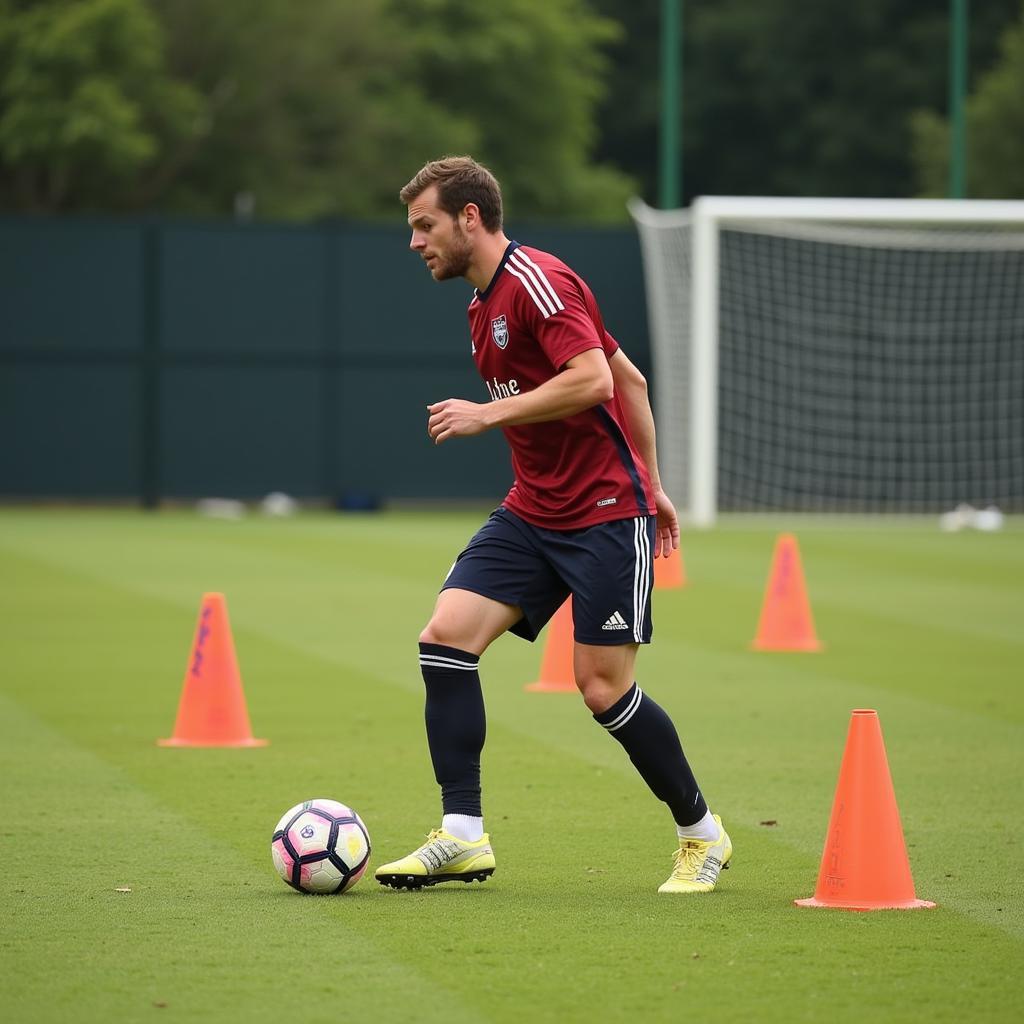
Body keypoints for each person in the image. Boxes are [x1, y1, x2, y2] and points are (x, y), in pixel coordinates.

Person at [374, 156, 730, 895]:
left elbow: (598, 380)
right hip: (534, 510)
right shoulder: (480, 309)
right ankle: (463, 835)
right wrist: (658, 481)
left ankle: (703, 834)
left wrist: (491, 415)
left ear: (470, 217)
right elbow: (627, 379)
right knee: (444, 639)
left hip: (603, 514)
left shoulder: (540, 280)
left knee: (601, 689)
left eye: (425, 224)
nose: (415, 242)